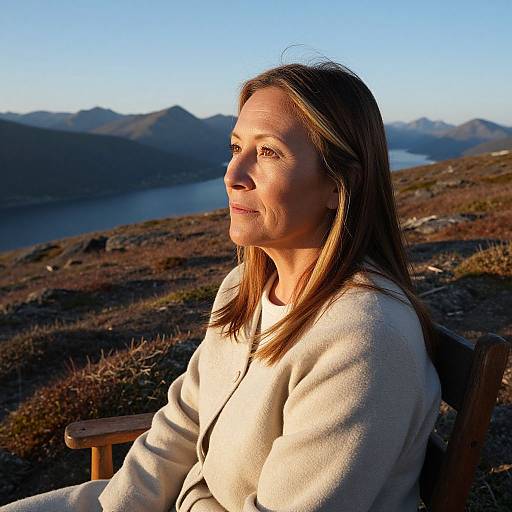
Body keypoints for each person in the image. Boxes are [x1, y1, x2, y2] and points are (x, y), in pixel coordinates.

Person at [3, 60, 441, 512]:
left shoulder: (363, 342)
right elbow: (185, 418)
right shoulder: (244, 288)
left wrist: (192, 497)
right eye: (236, 147)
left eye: (268, 152)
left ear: (338, 185)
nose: (232, 174)